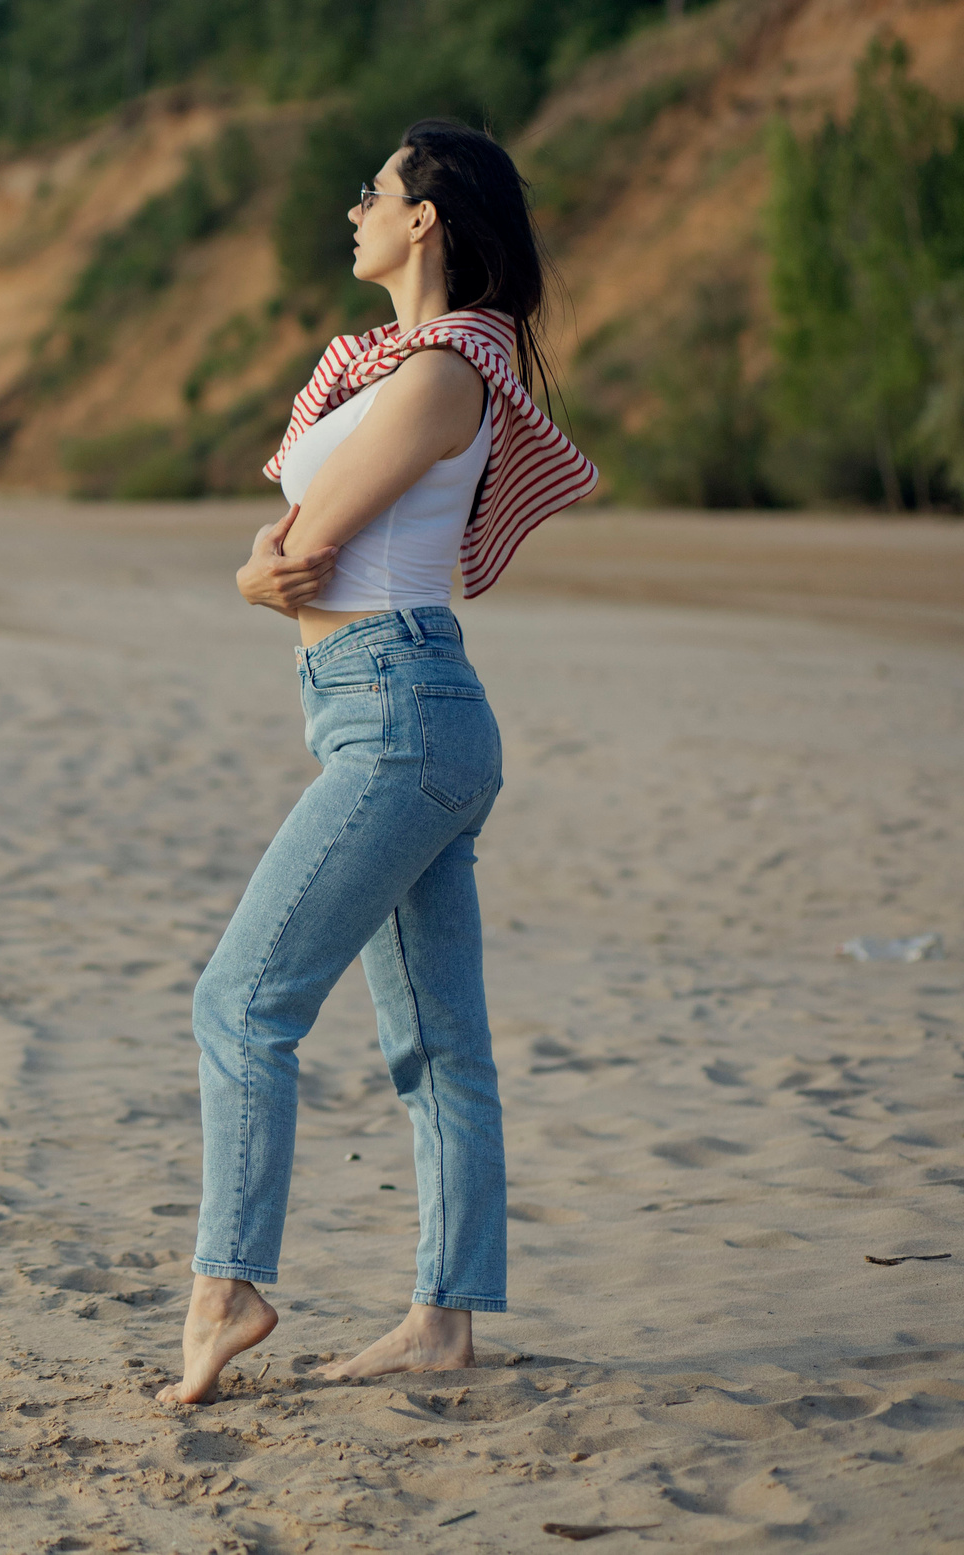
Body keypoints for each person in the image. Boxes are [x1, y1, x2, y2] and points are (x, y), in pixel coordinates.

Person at [157, 119, 598, 1406]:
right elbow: (297, 529)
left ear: (427, 221)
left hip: (399, 713)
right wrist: (266, 555)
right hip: (390, 709)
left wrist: (255, 569)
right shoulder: (390, 368)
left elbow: (301, 546)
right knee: (436, 1042)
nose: (353, 208)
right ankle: (442, 1323)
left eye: (375, 191)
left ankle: (227, 1284)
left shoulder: (442, 371)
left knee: (240, 1003)